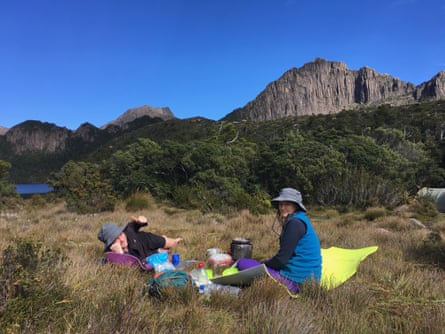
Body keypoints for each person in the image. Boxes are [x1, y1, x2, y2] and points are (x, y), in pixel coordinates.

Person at [238, 187, 322, 295]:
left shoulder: (294, 224)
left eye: (287, 204)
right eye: (281, 204)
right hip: (309, 281)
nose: (282, 207)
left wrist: (263, 264)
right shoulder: (301, 219)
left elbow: (281, 261)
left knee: (242, 263)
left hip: (297, 283)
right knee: (256, 264)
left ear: (296, 206)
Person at [97, 215, 183, 260]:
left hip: (147, 240)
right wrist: (120, 254)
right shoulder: (114, 256)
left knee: (173, 244)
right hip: (147, 255)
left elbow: (135, 224)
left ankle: (173, 239)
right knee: (165, 252)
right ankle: (160, 249)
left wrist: (141, 221)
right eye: (116, 239)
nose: (122, 239)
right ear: (111, 245)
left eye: (121, 234)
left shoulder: (128, 230)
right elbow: (129, 267)